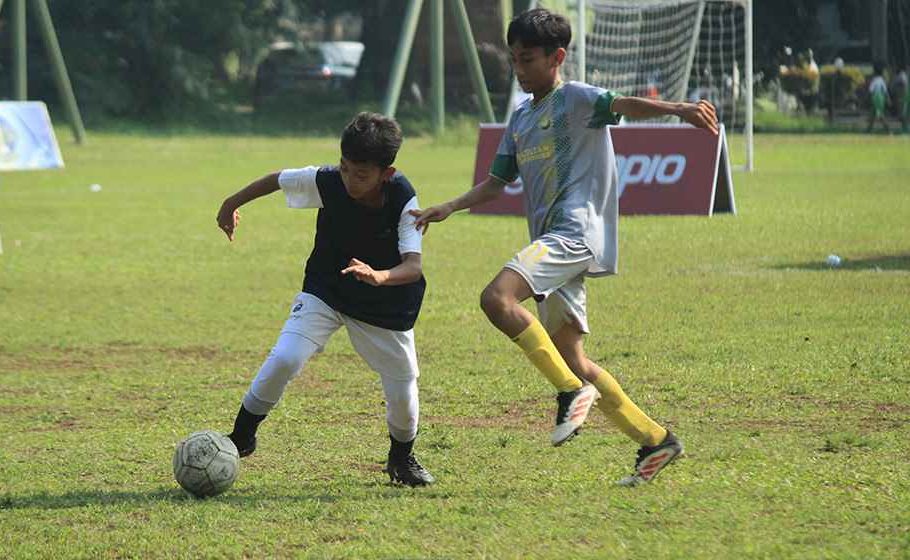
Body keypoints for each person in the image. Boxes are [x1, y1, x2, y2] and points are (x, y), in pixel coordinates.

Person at [414, 8, 719, 486]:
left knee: (496, 299)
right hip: (553, 242)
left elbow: (622, 105)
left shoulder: (576, 99)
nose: (518, 69)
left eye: (528, 59)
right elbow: (497, 184)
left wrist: (678, 110)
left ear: (557, 57)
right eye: (514, 59)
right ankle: (656, 440)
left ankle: (570, 393)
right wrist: (449, 206)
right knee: (573, 356)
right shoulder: (520, 118)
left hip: (574, 234)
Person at [215, 112, 434, 487]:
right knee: (285, 357)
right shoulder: (328, 181)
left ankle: (402, 458)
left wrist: (379, 276)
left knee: (402, 392)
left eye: (361, 174)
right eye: (345, 168)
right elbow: (276, 179)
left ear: (387, 173)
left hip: (385, 304)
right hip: (327, 288)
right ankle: (240, 438)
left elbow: (412, 266)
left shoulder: (403, 199)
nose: (349, 180)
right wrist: (230, 203)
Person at [866, 62, 893, 135]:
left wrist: (867, 99)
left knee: (880, 115)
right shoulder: (882, 79)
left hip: (876, 98)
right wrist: (888, 99)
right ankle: (869, 129)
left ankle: (889, 130)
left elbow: (871, 90)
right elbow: (885, 91)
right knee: (874, 114)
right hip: (881, 97)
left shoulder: (874, 80)